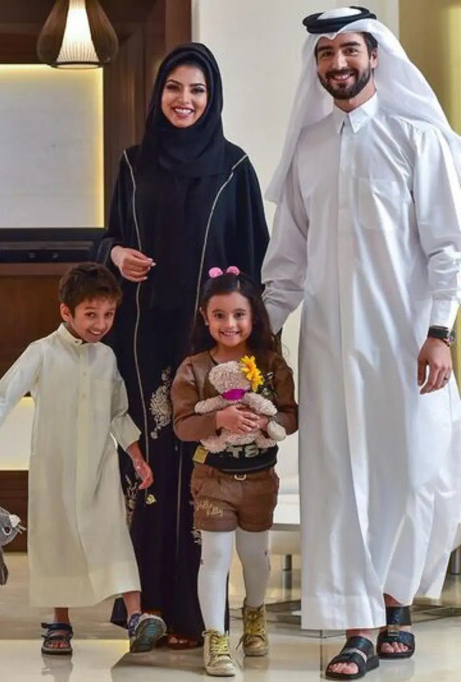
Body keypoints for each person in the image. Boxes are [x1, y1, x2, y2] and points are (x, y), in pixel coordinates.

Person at [262, 7, 461, 679]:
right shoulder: (309, 149)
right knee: (338, 480)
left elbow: (448, 247)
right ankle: (358, 628)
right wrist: (258, 338)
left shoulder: (417, 138)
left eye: (348, 49)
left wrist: (440, 332)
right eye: (325, 53)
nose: (337, 63)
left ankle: (395, 599)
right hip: (327, 346)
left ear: (375, 54)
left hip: (407, 347)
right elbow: (287, 263)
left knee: (415, 472)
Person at [101, 42, 270, 648]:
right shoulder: (132, 164)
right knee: (150, 466)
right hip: (144, 340)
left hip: (210, 350)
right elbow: (109, 239)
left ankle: (197, 616)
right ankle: (144, 609)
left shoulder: (234, 168)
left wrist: (250, 350)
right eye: (174, 87)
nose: (185, 99)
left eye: (197, 90)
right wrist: (115, 254)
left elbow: (256, 263)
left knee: (205, 470)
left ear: (212, 97)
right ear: (159, 94)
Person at [0, 263, 167, 656]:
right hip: (53, 468)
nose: (101, 324)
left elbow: (118, 413)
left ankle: (136, 617)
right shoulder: (42, 352)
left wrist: (137, 457)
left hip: (100, 467)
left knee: (113, 535)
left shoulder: (106, 357)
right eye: (91, 314)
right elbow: (4, 395)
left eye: (108, 314)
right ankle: (60, 621)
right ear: (66, 312)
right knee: (56, 540)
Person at [171, 267, 298, 676]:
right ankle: (216, 638)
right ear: (205, 317)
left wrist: (267, 422)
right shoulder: (193, 368)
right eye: (220, 315)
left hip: (260, 481)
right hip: (213, 480)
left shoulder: (271, 364)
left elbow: (291, 416)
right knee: (215, 558)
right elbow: (182, 425)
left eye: (239, 314)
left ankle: (255, 616)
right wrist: (218, 419)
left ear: (254, 316)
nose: (230, 324)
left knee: (255, 557)